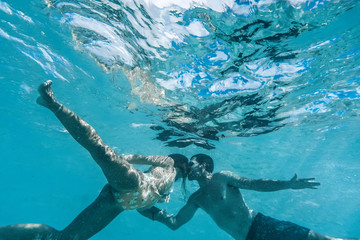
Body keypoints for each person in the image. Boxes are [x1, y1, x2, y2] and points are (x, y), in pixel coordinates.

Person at [0, 80, 189, 240]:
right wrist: (118, 161)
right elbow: (140, 158)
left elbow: (143, 206)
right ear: (181, 163)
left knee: (63, 238)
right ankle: (53, 104)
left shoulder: (166, 191)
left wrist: (159, 215)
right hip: (133, 184)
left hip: (116, 204)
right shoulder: (169, 162)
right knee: (100, 149)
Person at [141, 154, 359, 240]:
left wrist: (289, 185)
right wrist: (143, 208)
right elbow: (175, 223)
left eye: (192, 163)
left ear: (204, 165)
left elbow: (255, 184)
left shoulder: (222, 177)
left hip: (262, 226)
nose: (188, 168)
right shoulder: (196, 199)